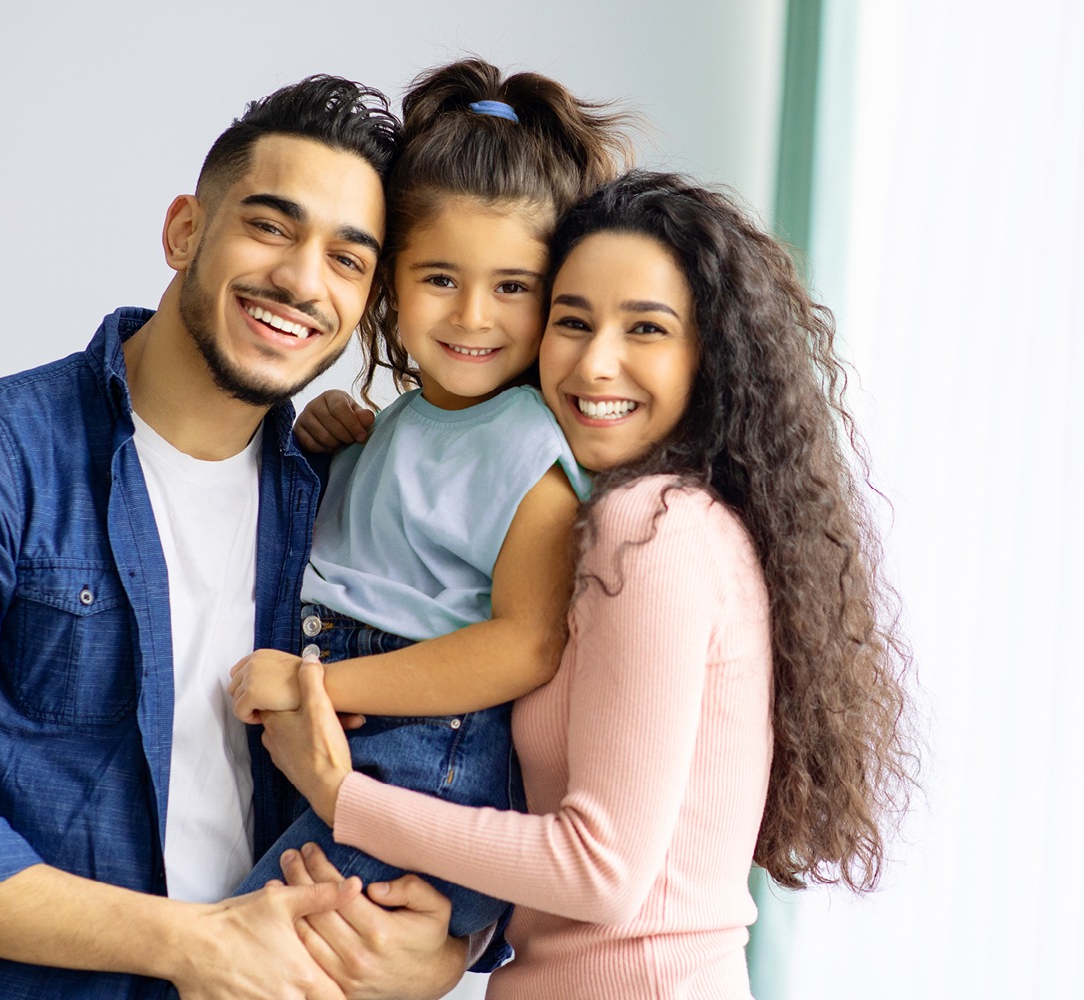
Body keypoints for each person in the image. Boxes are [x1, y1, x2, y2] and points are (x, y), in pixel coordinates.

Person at [0, 75, 472, 1000]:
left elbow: (451, 749)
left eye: (348, 260)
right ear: (184, 231)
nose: (301, 280)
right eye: (271, 226)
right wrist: (195, 944)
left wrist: (452, 951)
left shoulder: (341, 496)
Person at [262, 171, 917, 997]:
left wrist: (340, 793)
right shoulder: (634, 519)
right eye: (572, 321)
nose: (596, 362)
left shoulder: (653, 528)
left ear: (709, 354)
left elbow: (599, 871)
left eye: (646, 328)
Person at [222, 58, 631, 941]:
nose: (473, 316)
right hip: (358, 739)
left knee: (234, 955)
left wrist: (317, 684)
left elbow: (525, 643)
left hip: (421, 760)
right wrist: (324, 442)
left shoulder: (530, 442)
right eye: (440, 278)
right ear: (389, 286)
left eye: (512, 288)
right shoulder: (402, 421)